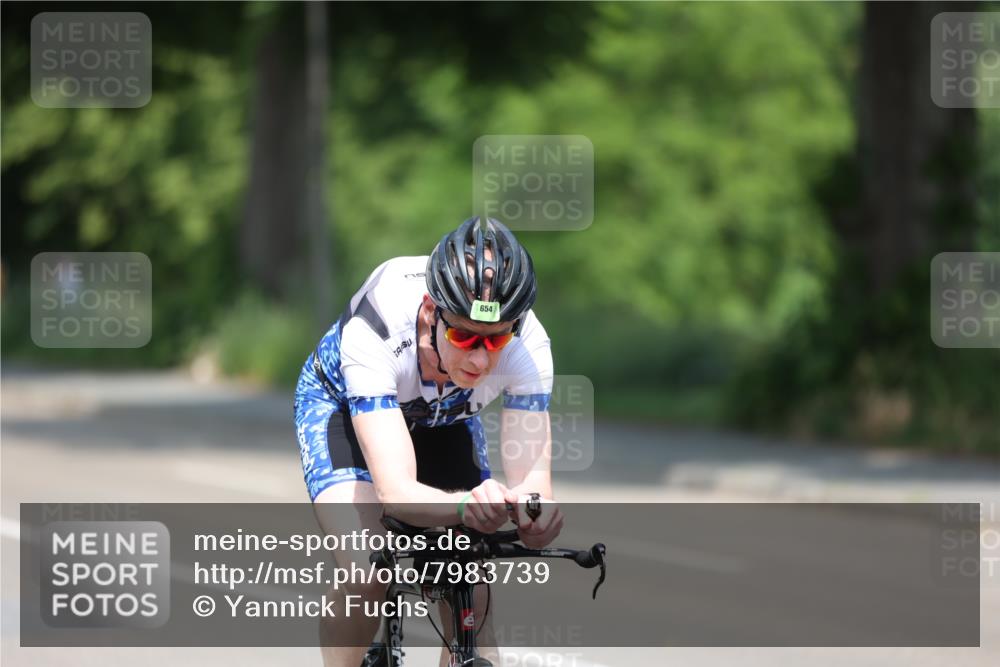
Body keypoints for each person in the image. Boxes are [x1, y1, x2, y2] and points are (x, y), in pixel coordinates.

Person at [294, 216, 563, 667]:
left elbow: (534, 487)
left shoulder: (529, 345)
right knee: (367, 570)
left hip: (445, 417)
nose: (480, 359)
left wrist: (536, 516)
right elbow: (395, 493)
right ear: (428, 312)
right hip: (344, 409)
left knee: (471, 587)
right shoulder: (377, 326)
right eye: (463, 335)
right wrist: (465, 505)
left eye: (496, 341)